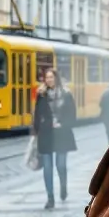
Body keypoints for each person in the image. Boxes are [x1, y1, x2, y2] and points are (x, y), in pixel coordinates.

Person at [32, 69, 77, 209]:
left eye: (51, 77)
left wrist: (63, 124)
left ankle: (63, 187)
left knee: (61, 165)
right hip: (45, 134)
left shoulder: (66, 94)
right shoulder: (41, 94)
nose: (49, 80)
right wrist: (36, 132)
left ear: (56, 78)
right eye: (47, 77)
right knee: (47, 167)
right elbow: (37, 114)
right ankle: (50, 197)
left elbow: (72, 114)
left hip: (62, 134)